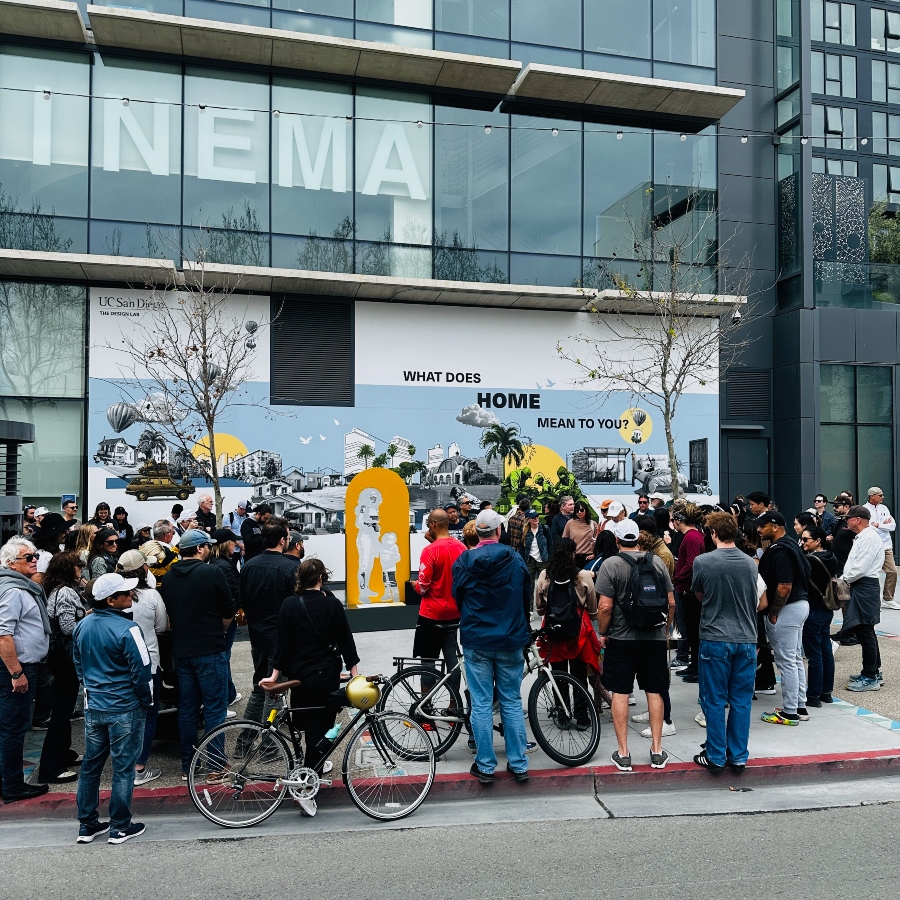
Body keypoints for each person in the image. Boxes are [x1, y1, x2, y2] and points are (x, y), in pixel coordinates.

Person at [263, 558, 359, 817]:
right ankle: (306, 789)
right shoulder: (331, 604)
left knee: (308, 726)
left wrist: (274, 675)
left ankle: (311, 764)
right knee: (323, 730)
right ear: (321, 579)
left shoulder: (289, 604)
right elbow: (345, 640)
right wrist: (354, 673)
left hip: (299, 677)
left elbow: (281, 643)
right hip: (324, 676)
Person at [452, 509, 532, 785]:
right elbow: (525, 597)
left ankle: (486, 765)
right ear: (499, 531)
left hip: (477, 638)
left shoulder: (464, 560)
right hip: (510, 637)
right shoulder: (514, 559)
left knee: (482, 702)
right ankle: (518, 762)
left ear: (478, 531)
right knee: (511, 700)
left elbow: (457, 597)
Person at [73, 572, 152, 844]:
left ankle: (87, 824)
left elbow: (79, 666)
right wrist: (146, 700)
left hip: (95, 704)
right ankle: (120, 826)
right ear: (111, 599)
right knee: (123, 767)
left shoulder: (82, 626)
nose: (132, 595)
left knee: (91, 766)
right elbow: (142, 672)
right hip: (125, 707)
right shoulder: (129, 629)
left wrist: (93, 688)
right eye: (126, 593)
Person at [595, 519, 675, 772]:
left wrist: (604, 633)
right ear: (638, 539)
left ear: (618, 540)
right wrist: (665, 629)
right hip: (653, 637)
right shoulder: (657, 562)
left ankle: (623, 753)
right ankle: (657, 750)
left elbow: (605, 606)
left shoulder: (611, 565)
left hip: (622, 638)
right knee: (654, 691)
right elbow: (671, 603)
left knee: (620, 692)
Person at [160, 529, 235, 780]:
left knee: (188, 708)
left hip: (182, 650)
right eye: (207, 546)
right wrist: (220, 630)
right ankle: (215, 764)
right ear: (201, 548)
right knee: (215, 709)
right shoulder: (212, 572)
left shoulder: (170, 577)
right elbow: (228, 609)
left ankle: (188, 764)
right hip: (210, 649)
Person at [690, 512, 762, 775]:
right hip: (745, 637)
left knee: (714, 700)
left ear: (714, 534)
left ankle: (716, 755)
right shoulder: (750, 564)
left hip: (715, 637)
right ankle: (739, 755)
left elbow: (700, 594)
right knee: (741, 700)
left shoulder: (703, 562)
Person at [0, 538, 51, 802]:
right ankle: (12, 785)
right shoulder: (13, 591)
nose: (34, 560)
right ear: (11, 563)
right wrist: (16, 673)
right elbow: (3, 635)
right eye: (28, 557)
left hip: (20, 667)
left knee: (11, 726)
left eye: (34, 555)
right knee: (14, 727)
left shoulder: (19, 586)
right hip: (16, 669)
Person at [239, 518, 297, 738]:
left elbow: (242, 601)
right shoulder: (290, 567)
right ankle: (269, 745)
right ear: (283, 540)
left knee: (259, 685)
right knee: (275, 691)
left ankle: (245, 739)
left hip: (258, 636)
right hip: (281, 639)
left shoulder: (249, 566)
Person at [534, 538, 599, 731]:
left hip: (554, 630)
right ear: (573, 553)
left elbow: (538, 607)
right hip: (578, 629)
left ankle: (562, 715)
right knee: (579, 673)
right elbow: (593, 607)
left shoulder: (545, 575)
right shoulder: (583, 575)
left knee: (558, 674)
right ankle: (582, 716)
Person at [116, 550, 168, 785]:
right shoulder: (152, 596)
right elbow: (161, 627)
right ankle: (139, 766)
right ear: (143, 569)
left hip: (118, 664)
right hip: (148, 662)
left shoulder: (113, 596)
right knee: (148, 714)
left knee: (122, 714)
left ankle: (123, 763)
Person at [756, 511, 811, 725]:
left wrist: (773, 612)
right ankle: (799, 706)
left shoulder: (780, 551)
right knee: (794, 658)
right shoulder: (790, 545)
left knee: (787, 661)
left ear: (775, 526)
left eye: (763, 526)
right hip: (799, 606)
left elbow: (784, 586)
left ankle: (789, 712)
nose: (759, 530)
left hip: (788, 608)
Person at [37, 552, 86, 785]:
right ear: (69, 569)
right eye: (78, 566)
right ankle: (51, 767)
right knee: (62, 710)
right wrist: (88, 619)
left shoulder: (53, 589)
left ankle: (64, 753)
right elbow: (68, 627)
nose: (81, 570)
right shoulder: (65, 592)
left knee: (63, 709)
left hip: (57, 657)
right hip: (65, 659)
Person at [415, 509, 466, 695]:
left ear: (434, 525)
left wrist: (414, 585)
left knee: (428, 661)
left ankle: (425, 707)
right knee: (453, 659)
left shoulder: (429, 551)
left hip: (431, 614)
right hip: (454, 613)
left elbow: (423, 587)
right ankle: (454, 704)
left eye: (428, 524)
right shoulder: (461, 547)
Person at [841, 506, 886, 692]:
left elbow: (861, 567)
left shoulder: (868, 537)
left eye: (848, 519)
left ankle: (871, 675)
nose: (846, 522)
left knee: (864, 630)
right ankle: (873, 671)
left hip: (864, 585)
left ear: (858, 519)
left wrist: (843, 581)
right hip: (863, 585)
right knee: (864, 630)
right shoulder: (866, 536)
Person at [800, 526, 838, 707]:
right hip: (827, 608)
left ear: (818, 541)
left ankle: (813, 695)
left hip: (813, 608)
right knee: (826, 652)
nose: (802, 542)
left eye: (806, 539)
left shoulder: (810, 560)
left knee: (814, 655)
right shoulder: (832, 557)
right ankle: (826, 692)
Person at [671, 504, 706, 683]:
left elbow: (692, 563)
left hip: (689, 590)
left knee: (693, 630)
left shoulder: (691, 537)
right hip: (688, 588)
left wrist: (677, 577)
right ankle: (694, 665)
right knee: (691, 631)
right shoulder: (694, 535)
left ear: (679, 520)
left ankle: (698, 668)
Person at [209, 528, 243, 709]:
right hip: (226, 619)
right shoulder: (225, 566)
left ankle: (229, 693)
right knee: (223, 658)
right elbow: (234, 594)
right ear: (224, 544)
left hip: (215, 617)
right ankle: (226, 697)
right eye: (232, 542)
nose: (235, 545)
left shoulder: (212, 562)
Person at [864, 487, 898, 609]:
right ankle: (871, 600)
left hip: (886, 545)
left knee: (892, 571)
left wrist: (879, 525)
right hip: (872, 546)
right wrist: (884, 525)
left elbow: (892, 526)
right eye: (880, 495)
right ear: (872, 496)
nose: (883, 497)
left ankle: (888, 598)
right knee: (871, 573)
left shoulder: (884, 508)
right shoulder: (865, 509)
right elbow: (868, 527)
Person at [521, 509, 552, 602]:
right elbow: (522, 547)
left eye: (537, 516)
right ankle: (529, 612)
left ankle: (545, 609)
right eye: (533, 517)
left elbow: (550, 545)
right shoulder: (524, 531)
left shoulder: (545, 529)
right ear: (528, 519)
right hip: (529, 561)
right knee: (529, 587)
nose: (536, 518)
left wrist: (550, 559)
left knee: (545, 585)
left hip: (543, 561)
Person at [562, 500, 597, 568]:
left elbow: (598, 542)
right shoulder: (570, 523)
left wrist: (594, 554)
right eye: (577, 510)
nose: (579, 512)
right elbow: (564, 540)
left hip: (589, 557)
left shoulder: (593, 524)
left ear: (586, 510)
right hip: (574, 557)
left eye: (581, 510)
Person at [830, 496, 854, 566]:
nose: (834, 508)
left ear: (846, 506)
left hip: (846, 563)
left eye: (837, 506)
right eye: (833, 506)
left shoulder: (852, 523)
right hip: (837, 563)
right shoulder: (839, 522)